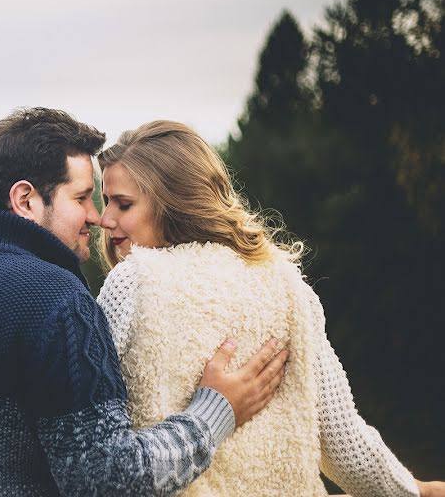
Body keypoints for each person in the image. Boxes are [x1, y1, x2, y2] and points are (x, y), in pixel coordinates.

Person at [0, 108, 288, 496]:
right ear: (25, 200)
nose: (96, 217)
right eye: (81, 198)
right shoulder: (55, 302)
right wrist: (214, 414)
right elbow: (107, 481)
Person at [96, 120, 445, 497]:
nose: (104, 219)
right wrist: (415, 491)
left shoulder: (130, 283)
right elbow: (345, 445)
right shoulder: (286, 284)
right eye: (106, 201)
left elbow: (89, 442)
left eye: (123, 204)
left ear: (175, 201)